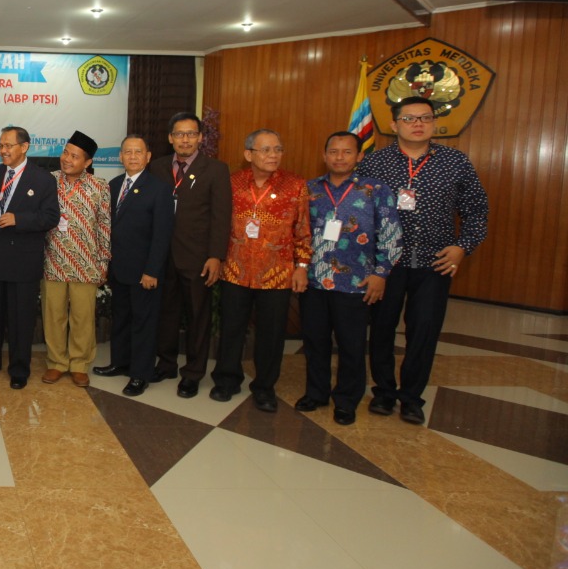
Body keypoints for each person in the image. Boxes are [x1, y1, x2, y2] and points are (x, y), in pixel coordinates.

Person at [358, 95, 488, 424]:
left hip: (435, 262)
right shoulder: (375, 163)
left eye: (425, 118)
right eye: (410, 118)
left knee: (424, 330)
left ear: (433, 124)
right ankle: (384, 392)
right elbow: (358, 212)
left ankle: (412, 397)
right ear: (394, 125)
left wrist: (463, 246)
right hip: (386, 263)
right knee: (382, 328)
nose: (418, 124)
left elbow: (477, 211)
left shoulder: (455, 162)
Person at [297, 132, 402, 425]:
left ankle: (346, 400)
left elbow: (391, 234)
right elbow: (299, 232)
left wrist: (381, 274)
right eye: (333, 151)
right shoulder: (311, 189)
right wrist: (300, 267)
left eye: (346, 152)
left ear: (359, 156)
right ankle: (316, 393)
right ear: (325, 155)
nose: (339, 157)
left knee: (352, 344)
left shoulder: (375, 190)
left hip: (356, 282)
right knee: (315, 341)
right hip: (315, 280)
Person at [209, 129, 310, 412]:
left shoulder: (296, 186)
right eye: (265, 150)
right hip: (236, 269)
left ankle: (265, 387)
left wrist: (301, 267)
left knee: (271, 333)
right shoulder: (233, 183)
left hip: (276, 274)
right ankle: (227, 380)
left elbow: (303, 231)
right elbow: (219, 225)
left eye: (277, 149)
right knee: (231, 329)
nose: (273, 155)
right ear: (248, 154)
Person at [139, 111, 230, 398]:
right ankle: (166, 363)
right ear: (170, 138)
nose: (185, 139)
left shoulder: (215, 169)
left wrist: (216, 255)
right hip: (162, 256)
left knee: (197, 316)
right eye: (179, 134)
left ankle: (192, 372)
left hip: (197, 257)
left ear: (201, 137)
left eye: (191, 134)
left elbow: (221, 217)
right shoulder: (158, 167)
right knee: (165, 314)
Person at [0, 125, 58, 389]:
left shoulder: (43, 179)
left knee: (22, 316)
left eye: (8, 145)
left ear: (25, 147)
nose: (3, 150)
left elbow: (50, 217)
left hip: (23, 258)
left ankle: (19, 368)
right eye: (0, 145)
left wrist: (19, 219)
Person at [97, 135, 174, 396]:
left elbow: (162, 234)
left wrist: (152, 270)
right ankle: (120, 362)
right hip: (118, 269)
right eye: (127, 152)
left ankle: (140, 374)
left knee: (144, 323)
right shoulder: (114, 184)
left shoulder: (159, 188)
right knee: (121, 319)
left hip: (144, 272)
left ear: (148, 156)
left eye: (138, 152)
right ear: (120, 156)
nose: (132, 156)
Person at [42, 131, 111, 387]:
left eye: (74, 156)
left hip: (87, 263)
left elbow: (104, 226)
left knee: (83, 317)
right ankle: (57, 363)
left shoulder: (100, 187)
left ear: (87, 162)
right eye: (65, 153)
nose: (67, 159)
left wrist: (103, 262)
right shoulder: (47, 181)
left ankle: (80, 364)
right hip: (53, 260)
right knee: (54, 315)